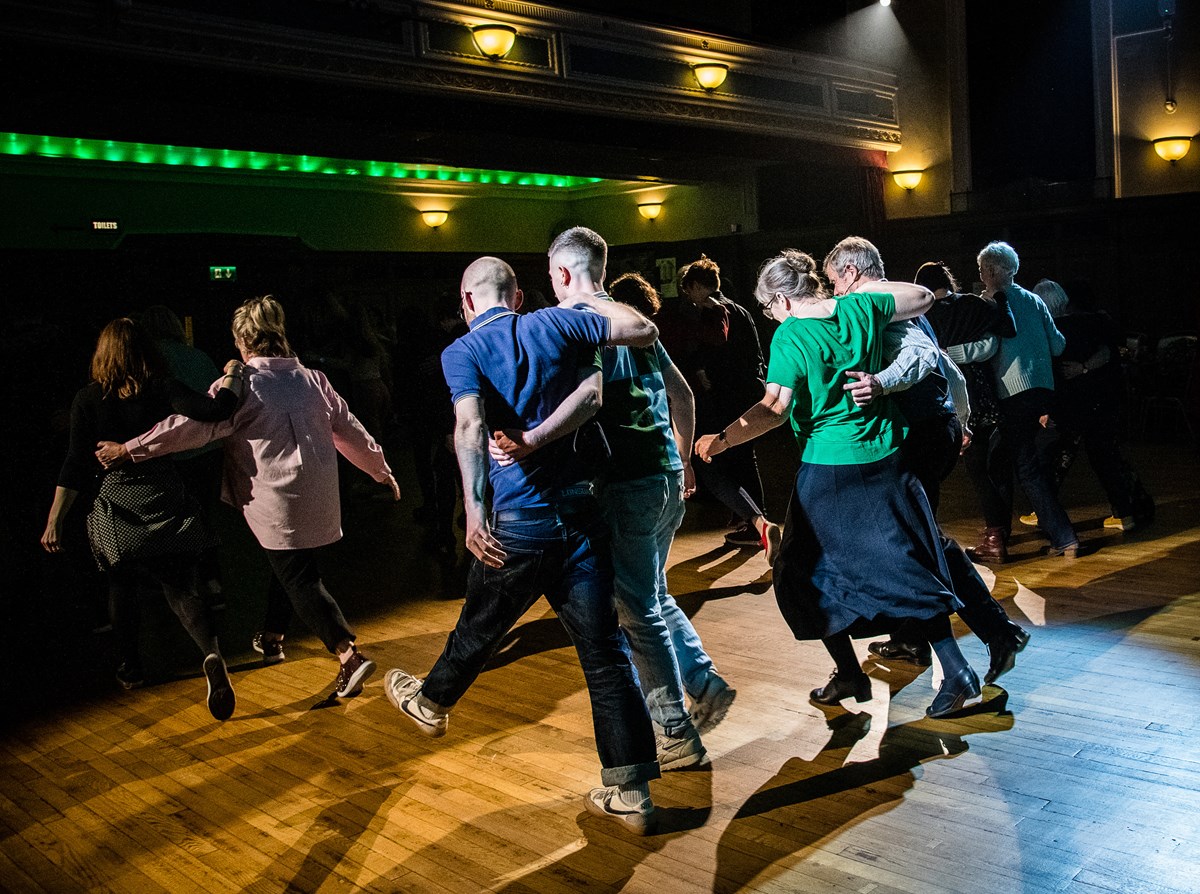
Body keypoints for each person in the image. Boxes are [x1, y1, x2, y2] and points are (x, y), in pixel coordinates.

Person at [382, 255, 664, 835]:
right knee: (606, 657)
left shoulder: (459, 351)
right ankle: (632, 794)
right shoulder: (558, 324)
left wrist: (472, 511)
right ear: (515, 295)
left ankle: (432, 704)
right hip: (582, 516)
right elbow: (638, 336)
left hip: (519, 519)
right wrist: (587, 300)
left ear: (466, 303)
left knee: (478, 626)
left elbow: (468, 427)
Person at [696, 244, 982, 718]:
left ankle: (856, 671)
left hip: (829, 469)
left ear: (781, 302)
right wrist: (861, 290)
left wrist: (722, 440)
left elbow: (774, 408)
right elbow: (923, 297)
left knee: (797, 572)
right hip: (887, 458)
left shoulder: (790, 335)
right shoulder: (861, 306)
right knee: (903, 566)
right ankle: (949, 670)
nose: (770, 317)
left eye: (768, 308)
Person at [492, 257, 736, 771]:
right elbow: (684, 393)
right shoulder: (633, 323)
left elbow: (587, 401)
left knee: (636, 610)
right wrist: (684, 459)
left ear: (560, 274)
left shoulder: (583, 329)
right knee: (654, 593)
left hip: (625, 483)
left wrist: (531, 442)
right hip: (665, 473)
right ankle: (704, 682)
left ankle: (675, 734)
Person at [96, 296, 399, 700]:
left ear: (242, 342)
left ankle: (348, 654)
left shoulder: (242, 387)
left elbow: (188, 428)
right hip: (320, 494)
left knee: (300, 578)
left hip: (276, 499)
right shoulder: (313, 379)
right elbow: (350, 429)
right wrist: (381, 470)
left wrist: (130, 448)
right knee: (292, 565)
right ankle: (273, 636)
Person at [826, 247, 1030, 685]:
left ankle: (977, 634)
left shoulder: (880, 304)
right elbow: (946, 366)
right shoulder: (889, 302)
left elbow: (920, 354)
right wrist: (960, 418)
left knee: (914, 540)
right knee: (919, 538)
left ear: (849, 271)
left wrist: (882, 383)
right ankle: (957, 633)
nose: (834, 292)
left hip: (919, 432)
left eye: (834, 281)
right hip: (931, 428)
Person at [41, 318, 241, 720]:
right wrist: (233, 373)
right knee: (181, 586)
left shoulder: (87, 399)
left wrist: (54, 520)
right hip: (162, 492)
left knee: (122, 585)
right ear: (147, 352)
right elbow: (212, 410)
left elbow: (76, 464)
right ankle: (212, 653)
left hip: (117, 503)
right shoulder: (162, 388)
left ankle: (131, 668)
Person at [976, 242, 1081, 559]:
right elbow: (1059, 346)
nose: (980, 276)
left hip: (1013, 392)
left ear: (993, 271)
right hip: (1043, 391)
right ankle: (1002, 536)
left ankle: (1064, 537)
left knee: (1021, 468)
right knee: (1013, 463)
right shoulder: (1035, 300)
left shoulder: (989, 302)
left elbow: (986, 350)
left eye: (981, 270)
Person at [1022, 279, 1153, 530]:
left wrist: (1045, 409)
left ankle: (1045, 512)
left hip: (1069, 409)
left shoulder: (1050, 332)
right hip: (1101, 404)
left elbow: (1052, 375)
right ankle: (1124, 513)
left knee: (1046, 457)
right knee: (1104, 458)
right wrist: (1087, 367)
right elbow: (1111, 352)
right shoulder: (1094, 323)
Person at [911, 262, 1016, 564]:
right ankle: (998, 533)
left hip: (947, 399)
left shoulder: (921, 316)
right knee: (991, 466)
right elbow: (1005, 330)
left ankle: (990, 539)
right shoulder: (972, 304)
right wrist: (998, 300)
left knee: (971, 470)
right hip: (981, 391)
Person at [678, 255, 779, 555]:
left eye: (688, 291)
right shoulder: (742, 311)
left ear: (696, 286)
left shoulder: (715, 309)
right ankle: (750, 521)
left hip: (728, 396)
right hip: (750, 391)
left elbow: (717, 341)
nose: (689, 298)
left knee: (709, 458)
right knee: (745, 457)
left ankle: (754, 520)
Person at [139, 304, 227, 603]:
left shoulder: (150, 361)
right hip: (208, 449)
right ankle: (212, 581)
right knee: (204, 516)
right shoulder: (198, 356)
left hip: (173, 452)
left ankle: (181, 587)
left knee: (173, 522)